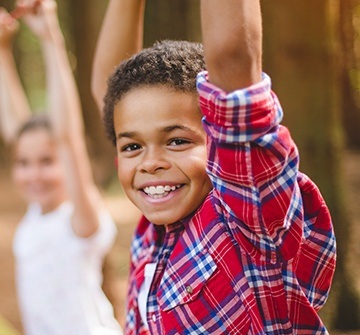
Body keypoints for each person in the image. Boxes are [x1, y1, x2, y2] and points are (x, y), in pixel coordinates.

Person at [91, 0, 337, 334]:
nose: (149, 164)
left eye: (177, 141)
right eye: (133, 146)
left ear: (220, 144)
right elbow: (112, 97)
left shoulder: (245, 219)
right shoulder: (153, 233)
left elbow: (233, 58)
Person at [0, 1, 123, 334]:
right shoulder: (37, 214)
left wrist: (49, 36)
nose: (33, 173)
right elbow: (16, 130)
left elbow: (67, 138)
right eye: (24, 164)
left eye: (46, 162)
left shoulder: (80, 220)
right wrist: (2, 54)